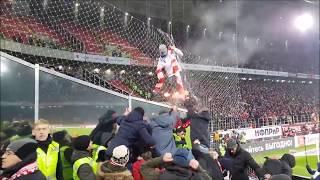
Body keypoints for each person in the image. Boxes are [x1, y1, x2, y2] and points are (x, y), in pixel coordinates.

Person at [141, 148, 211, 180]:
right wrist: (199, 168)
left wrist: (161, 159)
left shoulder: (161, 176)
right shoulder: (195, 176)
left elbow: (144, 167)